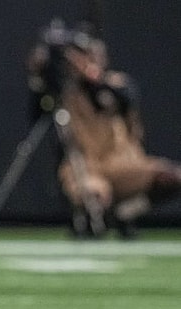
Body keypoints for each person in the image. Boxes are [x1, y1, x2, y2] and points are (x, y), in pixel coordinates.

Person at [27, 21, 181, 238]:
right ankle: (93, 219)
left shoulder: (117, 83)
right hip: (86, 168)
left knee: (173, 177)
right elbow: (37, 113)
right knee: (94, 197)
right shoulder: (64, 92)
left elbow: (123, 98)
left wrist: (92, 76)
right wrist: (39, 76)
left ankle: (125, 213)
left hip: (125, 165)